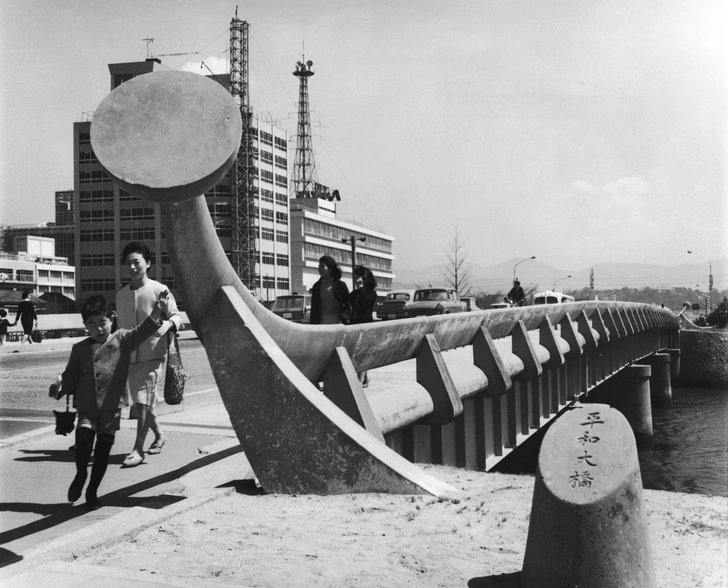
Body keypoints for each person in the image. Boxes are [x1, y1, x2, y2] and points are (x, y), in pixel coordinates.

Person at [50, 291, 171, 509]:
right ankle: (80, 475)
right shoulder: (79, 349)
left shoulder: (122, 339)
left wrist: (157, 310)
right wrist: (60, 384)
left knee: (103, 453)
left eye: (102, 323)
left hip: (111, 409)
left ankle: (92, 492)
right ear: (85, 325)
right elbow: (71, 375)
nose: (98, 328)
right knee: (84, 447)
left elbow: (143, 331)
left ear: (111, 319)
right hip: (87, 408)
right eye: (92, 324)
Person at [116, 242, 183, 468]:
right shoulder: (121, 295)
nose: (133, 267)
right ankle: (160, 434)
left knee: (143, 403)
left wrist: (166, 325)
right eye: (128, 263)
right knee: (140, 403)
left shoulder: (159, 290)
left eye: (137, 262)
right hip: (129, 357)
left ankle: (138, 450)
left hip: (153, 355)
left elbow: (177, 317)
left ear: (148, 263)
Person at [348, 265, 377, 387]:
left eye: (360, 279)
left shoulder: (372, 293)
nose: (357, 282)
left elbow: (367, 303)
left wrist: (360, 288)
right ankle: (364, 378)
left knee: (363, 353)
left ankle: (360, 381)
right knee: (356, 353)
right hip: (354, 324)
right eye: (355, 279)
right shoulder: (354, 293)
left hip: (365, 325)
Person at [310, 255, 350, 325]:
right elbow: (314, 309)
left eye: (323, 266)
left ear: (330, 269)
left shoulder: (341, 285)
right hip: (321, 325)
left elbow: (348, 304)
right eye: (319, 266)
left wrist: (346, 315)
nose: (320, 269)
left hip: (339, 324)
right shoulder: (316, 287)